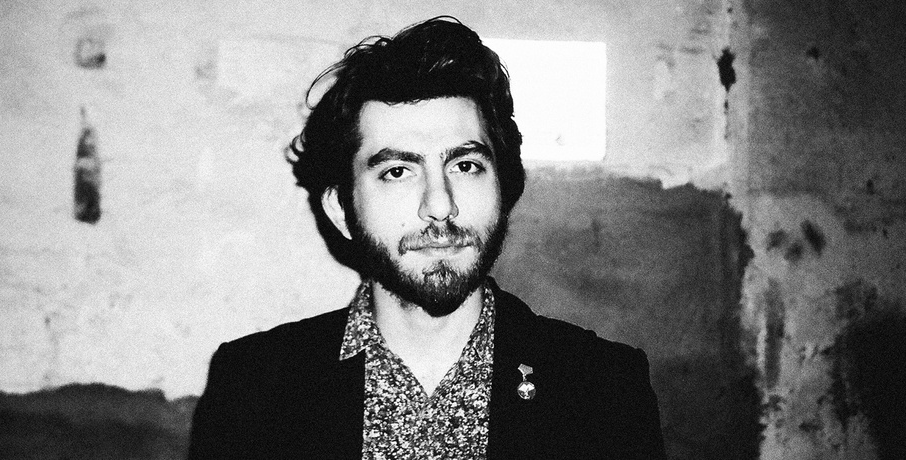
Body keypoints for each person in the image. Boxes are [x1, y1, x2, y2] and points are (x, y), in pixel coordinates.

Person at [188, 17, 666, 459]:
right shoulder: (253, 387)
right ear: (342, 210)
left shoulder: (604, 388)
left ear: (503, 190)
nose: (440, 204)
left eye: (466, 165)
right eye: (397, 171)